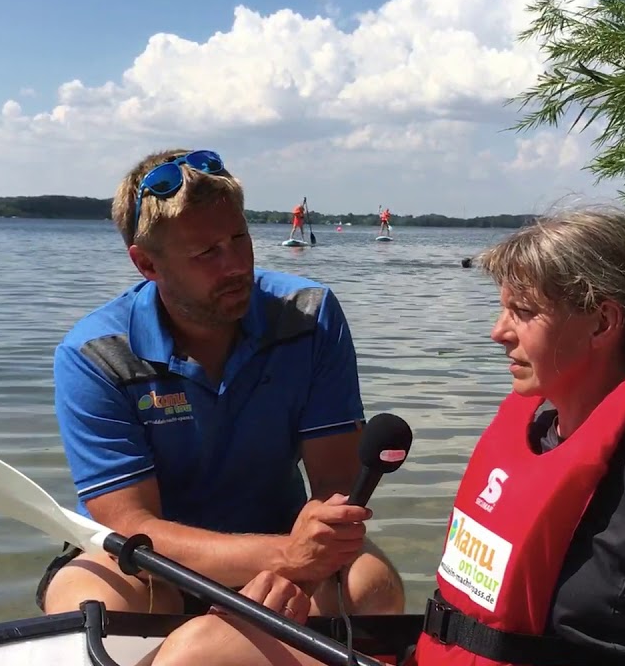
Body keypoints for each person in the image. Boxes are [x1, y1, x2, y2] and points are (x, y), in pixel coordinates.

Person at [149, 206, 625, 666]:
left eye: (523, 313)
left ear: (603, 321)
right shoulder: (537, 427)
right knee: (201, 651)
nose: (498, 332)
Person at [36, 148, 405, 619]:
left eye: (239, 237)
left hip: (281, 542)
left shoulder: (308, 316)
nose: (235, 265)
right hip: (142, 563)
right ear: (147, 265)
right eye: (207, 252)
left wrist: (297, 565)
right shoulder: (95, 354)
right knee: (94, 605)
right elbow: (131, 525)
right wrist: (281, 555)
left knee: (370, 587)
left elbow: (334, 485)